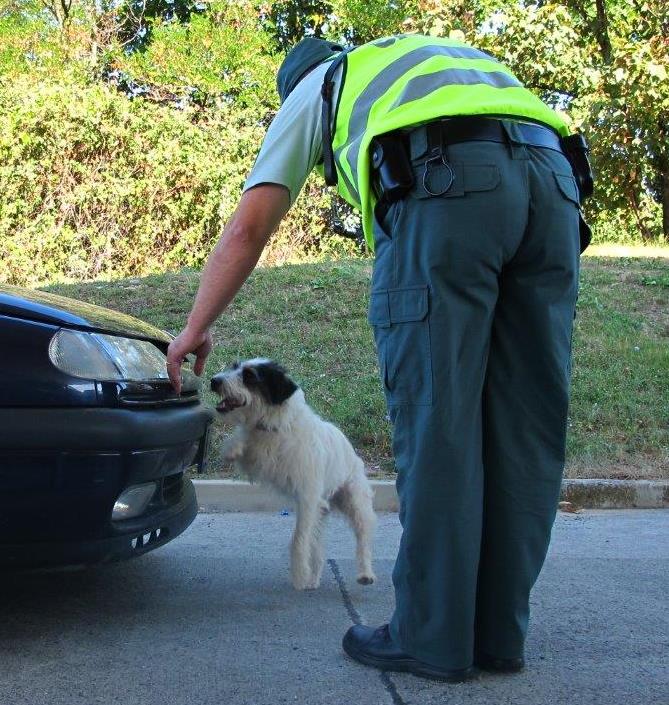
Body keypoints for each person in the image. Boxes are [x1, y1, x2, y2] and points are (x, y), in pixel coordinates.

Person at [166, 34, 590, 682]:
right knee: (524, 430)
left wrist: (195, 325)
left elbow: (250, 224)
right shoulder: (418, 58)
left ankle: (431, 637)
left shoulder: (317, 86)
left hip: (450, 187)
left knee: (438, 423)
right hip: (555, 188)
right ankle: (498, 635)